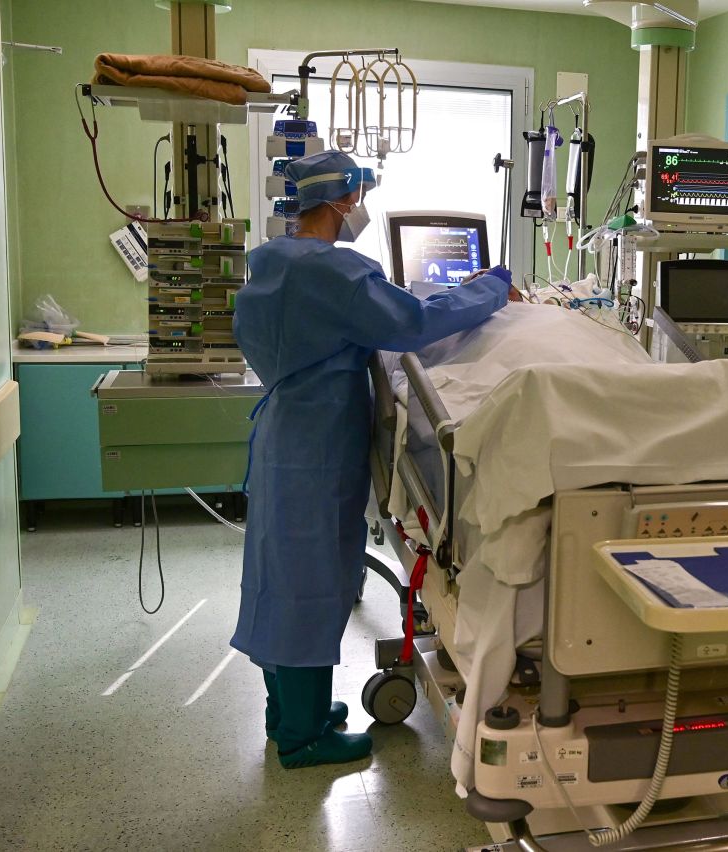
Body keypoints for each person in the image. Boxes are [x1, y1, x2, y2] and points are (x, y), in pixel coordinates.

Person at [229, 150, 515, 769]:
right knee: (312, 582)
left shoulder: (268, 266)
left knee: (281, 576)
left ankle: (289, 712)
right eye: (356, 196)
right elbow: (414, 322)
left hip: (282, 434)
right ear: (341, 200)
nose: (357, 208)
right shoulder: (337, 274)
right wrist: (491, 287)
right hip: (321, 447)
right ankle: (305, 738)